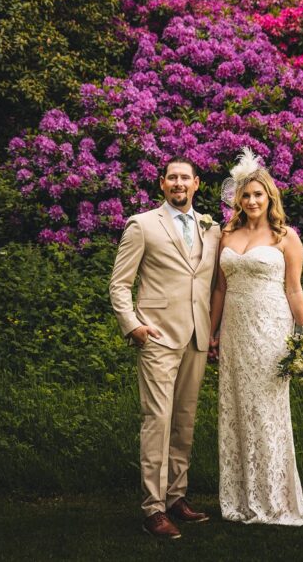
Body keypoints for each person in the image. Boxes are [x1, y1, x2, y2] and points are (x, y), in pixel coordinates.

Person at [208, 148, 303, 525]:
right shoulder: (226, 235)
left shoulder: (285, 237)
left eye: (259, 194)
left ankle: (275, 498)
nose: (252, 200)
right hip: (235, 332)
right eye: (246, 194)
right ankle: (241, 496)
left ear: (269, 197)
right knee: (237, 410)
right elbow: (220, 291)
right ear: (237, 199)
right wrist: (212, 332)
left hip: (271, 329)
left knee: (268, 412)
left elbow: (294, 290)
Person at [109, 156, 221, 540]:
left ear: (196, 184)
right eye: (171, 177)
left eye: (185, 178)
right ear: (162, 184)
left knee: (184, 422)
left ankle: (176, 497)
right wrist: (133, 326)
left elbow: (212, 284)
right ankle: (153, 509)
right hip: (156, 337)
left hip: (197, 337)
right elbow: (119, 284)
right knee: (157, 421)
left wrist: (213, 330)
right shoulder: (142, 225)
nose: (178, 183)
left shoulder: (212, 228)